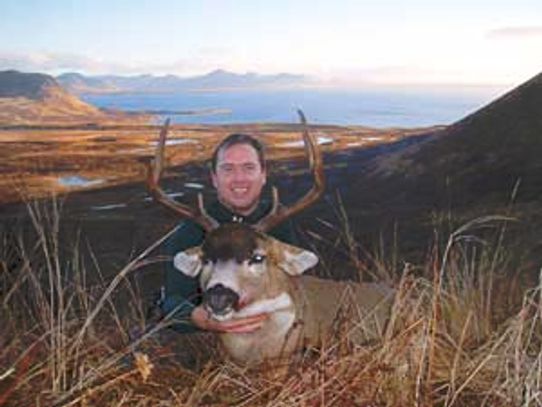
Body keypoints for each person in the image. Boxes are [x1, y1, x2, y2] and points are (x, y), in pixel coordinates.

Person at [158, 133, 298, 334]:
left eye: (249, 168)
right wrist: (199, 318)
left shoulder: (277, 223)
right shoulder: (192, 231)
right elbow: (172, 301)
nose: (239, 179)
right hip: (210, 336)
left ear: (263, 174)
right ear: (214, 179)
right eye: (228, 169)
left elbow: (295, 285)